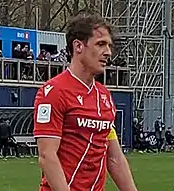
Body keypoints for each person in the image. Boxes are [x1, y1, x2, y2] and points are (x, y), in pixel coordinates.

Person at [33, 13, 138, 191]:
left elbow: (114, 157)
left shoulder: (104, 96)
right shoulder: (54, 92)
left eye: (109, 46)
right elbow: (46, 155)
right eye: (100, 44)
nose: (108, 52)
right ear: (78, 46)